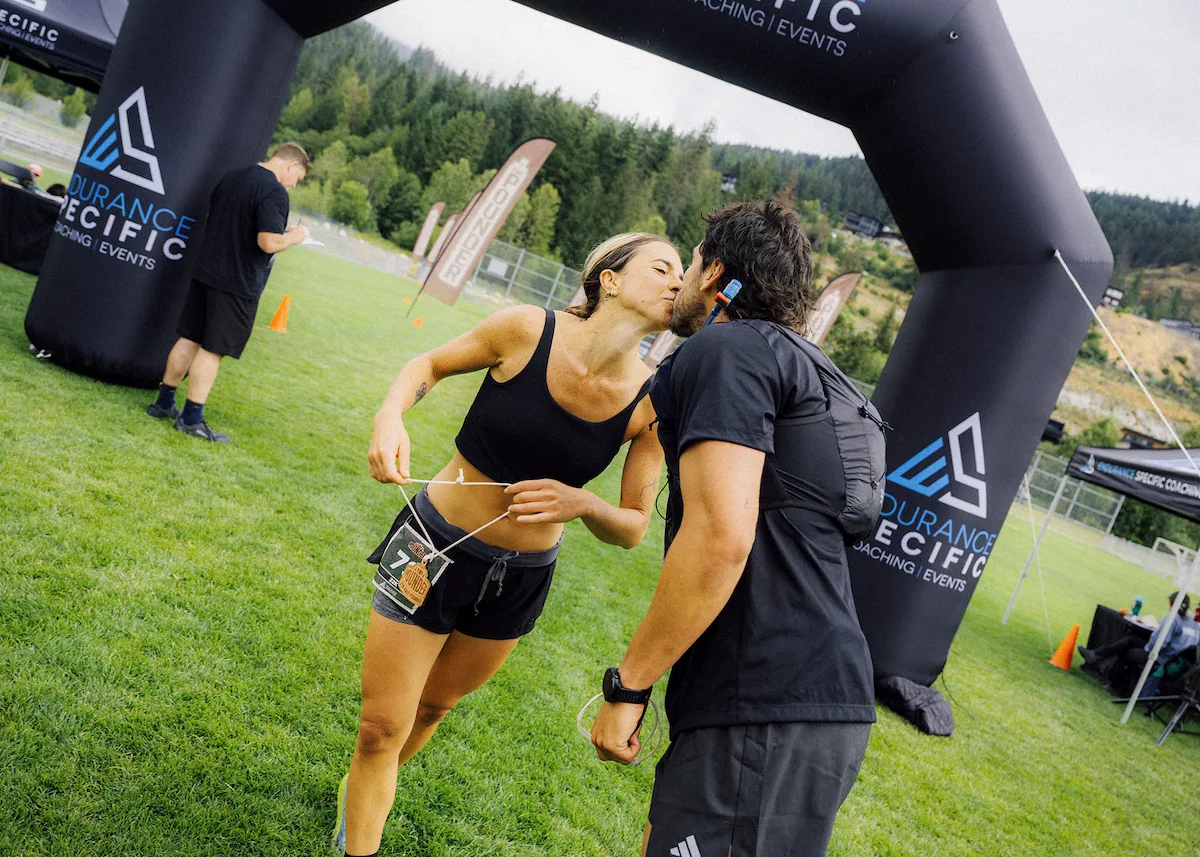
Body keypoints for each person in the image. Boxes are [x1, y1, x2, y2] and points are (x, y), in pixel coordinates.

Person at [332, 232, 684, 857]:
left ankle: (367, 783)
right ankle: (361, 814)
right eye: (662, 267)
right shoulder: (525, 330)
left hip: (519, 579)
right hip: (432, 545)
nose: (676, 281)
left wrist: (584, 503)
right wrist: (391, 416)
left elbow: (632, 526)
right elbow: (428, 365)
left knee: (435, 707)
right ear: (610, 278)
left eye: (682, 273)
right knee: (382, 723)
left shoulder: (651, 401)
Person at [591, 201, 876, 857]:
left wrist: (628, 685)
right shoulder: (821, 376)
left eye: (689, 262)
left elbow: (722, 537)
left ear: (716, 272)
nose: (682, 279)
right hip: (809, 704)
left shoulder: (729, 349)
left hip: (761, 705)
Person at [144, 142, 310, 442]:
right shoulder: (274, 191)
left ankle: (163, 403)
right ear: (291, 166)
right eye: (297, 178)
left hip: (205, 271)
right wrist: (295, 237)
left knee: (189, 337)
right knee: (212, 349)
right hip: (236, 282)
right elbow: (268, 242)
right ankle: (191, 418)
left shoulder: (232, 176)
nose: (293, 185)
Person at [1079, 592, 1200, 696]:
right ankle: (1095, 655)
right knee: (1131, 640)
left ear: (1172, 603)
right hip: (1177, 664)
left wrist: (1148, 647)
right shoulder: (1194, 625)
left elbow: (1159, 643)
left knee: (1127, 650)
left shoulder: (1173, 620)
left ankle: (1117, 687)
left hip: (1162, 660)